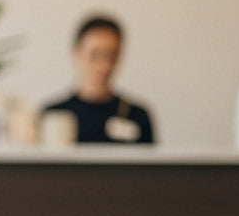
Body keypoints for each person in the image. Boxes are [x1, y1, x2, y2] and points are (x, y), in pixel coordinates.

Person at [43, 14, 156, 144]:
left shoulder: (137, 115)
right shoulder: (53, 115)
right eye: (94, 55)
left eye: (112, 55)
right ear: (77, 53)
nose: (104, 65)